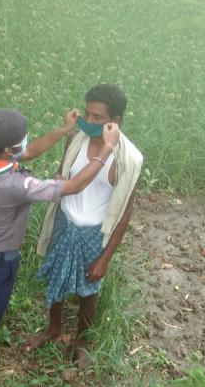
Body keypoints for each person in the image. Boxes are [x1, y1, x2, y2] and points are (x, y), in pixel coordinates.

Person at [0, 107, 120, 387]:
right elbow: (73, 186)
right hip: (0, 262)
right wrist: (106, 150)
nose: (25, 143)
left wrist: (63, 130)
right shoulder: (15, 185)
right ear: (9, 149)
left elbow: (27, 153)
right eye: (21, 139)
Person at [29, 83, 143, 369]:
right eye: (87, 113)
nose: (88, 121)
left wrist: (105, 258)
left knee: (88, 290)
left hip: (94, 232)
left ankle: (82, 342)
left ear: (115, 121)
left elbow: (125, 212)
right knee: (57, 276)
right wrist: (57, 178)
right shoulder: (76, 140)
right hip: (65, 220)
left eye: (97, 117)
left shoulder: (129, 159)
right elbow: (63, 172)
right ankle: (53, 329)